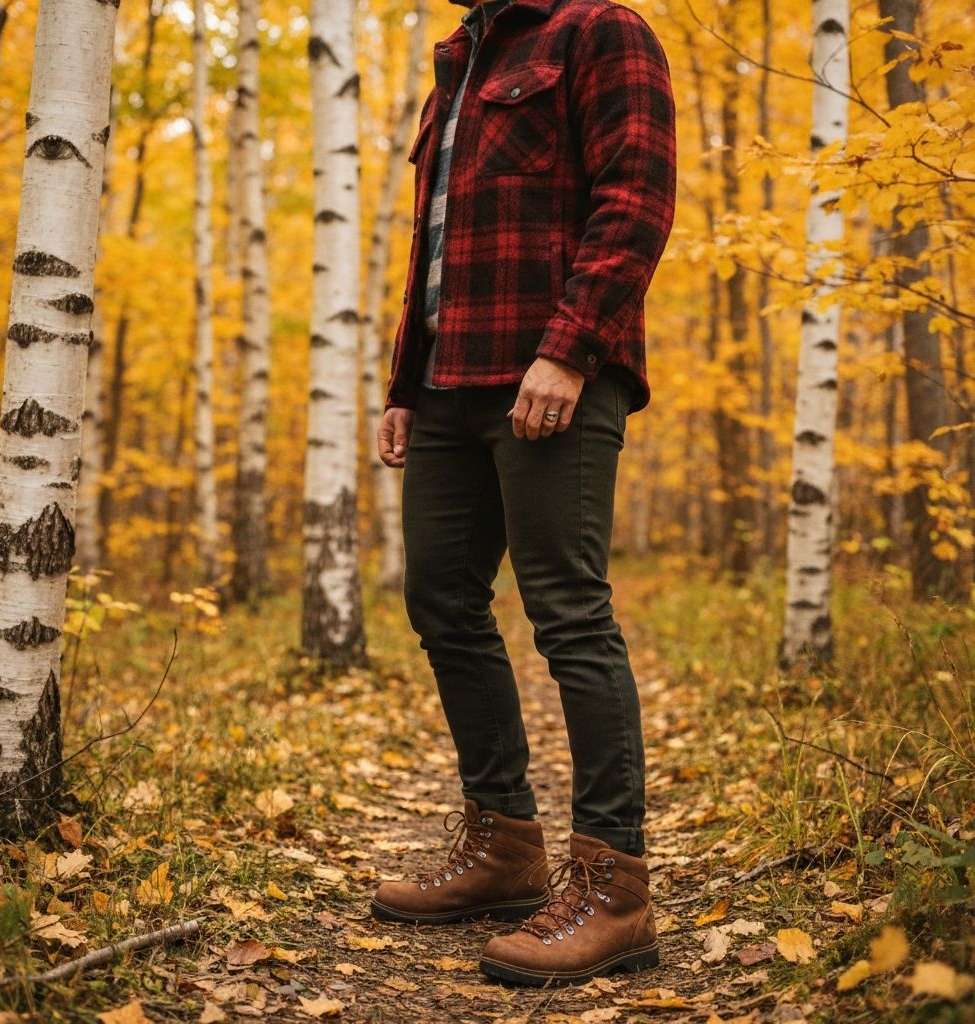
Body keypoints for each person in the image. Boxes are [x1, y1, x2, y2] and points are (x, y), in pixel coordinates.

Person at [372, 0, 677, 987]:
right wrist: (404, 385)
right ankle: (504, 846)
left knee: (568, 612)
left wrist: (570, 348)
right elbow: (433, 246)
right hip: (447, 381)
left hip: (552, 370)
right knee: (440, 600)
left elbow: (635, 201)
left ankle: (616, 892)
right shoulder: (459, 59)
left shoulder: (599, 31)